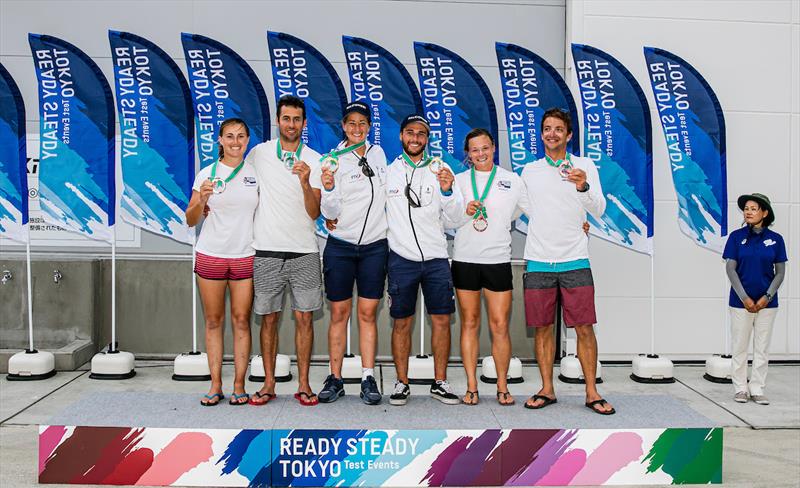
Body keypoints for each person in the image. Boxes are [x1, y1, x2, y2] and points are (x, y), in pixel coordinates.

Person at [520, 108, 614, 415]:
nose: (552, 134)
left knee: (585, 328)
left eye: (558, 129)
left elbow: (599, 209)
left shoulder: (584, 166)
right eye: (547, 128)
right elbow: (524, 208)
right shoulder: (530, 171)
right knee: (543, 328)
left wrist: (583, 187)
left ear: (569, 135)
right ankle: (547, 389)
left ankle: (591, 392)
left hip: (575, 260)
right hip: (537, 261)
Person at [245, 95, 323, 406]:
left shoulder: (315, 160)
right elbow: (240, 183)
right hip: (266, 250)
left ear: (304, 124)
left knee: (304, 319)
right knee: (268, 319)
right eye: (286, 119)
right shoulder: (259, 153)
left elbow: (315, 211)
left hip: (304, 251)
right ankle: (268, 384)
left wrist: (305, 181)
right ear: (278, 121)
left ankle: (303, 385)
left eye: (297, 119)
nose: (291, 124)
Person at [385, 114, 464, 406]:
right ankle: (401, 382)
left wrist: (447, 190)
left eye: (421, 134)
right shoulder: (389, 171)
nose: (415, 138)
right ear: (401, 136)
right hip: (400, 258)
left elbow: (455, 218)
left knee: (441, 320)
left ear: (427, 139)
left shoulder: (440, 168)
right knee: (401, 322)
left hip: (436, 259)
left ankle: (440, 382)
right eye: (410, 132)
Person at [315, 102, 388, 405]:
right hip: (341, 247)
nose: (357, 128)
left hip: (375, 246)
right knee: (339, 314)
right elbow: (329, 212)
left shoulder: (379, 154)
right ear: (343, 126)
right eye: (351, 123)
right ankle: (336, 378)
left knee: (368, 313)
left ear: (369, 126)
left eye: (363, 123)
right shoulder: (331, 160)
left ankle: (368, 377)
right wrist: (329, 188)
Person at [450, 128, 529, 406]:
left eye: (485, 148)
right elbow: (447, 221)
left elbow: (527, 212)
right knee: (469, 324)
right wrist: (463, 213)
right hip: (465, 260)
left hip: (497, 260)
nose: (480, 154)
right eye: (474, 150)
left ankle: (502, 386)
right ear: (468, 154)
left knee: (499, 326)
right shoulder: (458, 182)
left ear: (493, 148)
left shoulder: (512, 180)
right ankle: (471, 386)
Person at [185, 118, 258, 406]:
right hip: (211, 255)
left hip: (245, 256)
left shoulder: (255, 174)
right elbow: (191, 219)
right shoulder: (207, 174)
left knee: (242, 321)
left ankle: (239, 385)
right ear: (220, 140)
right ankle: (216, 385)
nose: (235, 142)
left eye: (241, 136)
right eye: (229, 136)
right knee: (213, 321)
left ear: (248, 140)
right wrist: (200, 200)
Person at [723, 193, 787, 405]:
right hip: (740, 303)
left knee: (762, 347)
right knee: (740, 346)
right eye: (746, 208)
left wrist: (767, 297)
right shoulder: (736, 237)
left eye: (754, 208)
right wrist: (744, 297)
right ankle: (740, 388)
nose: (748, 211)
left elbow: (780, 273)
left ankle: (757, 387)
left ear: (765, 213)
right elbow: (730, 269)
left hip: (767, 305)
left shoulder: (776, 240)